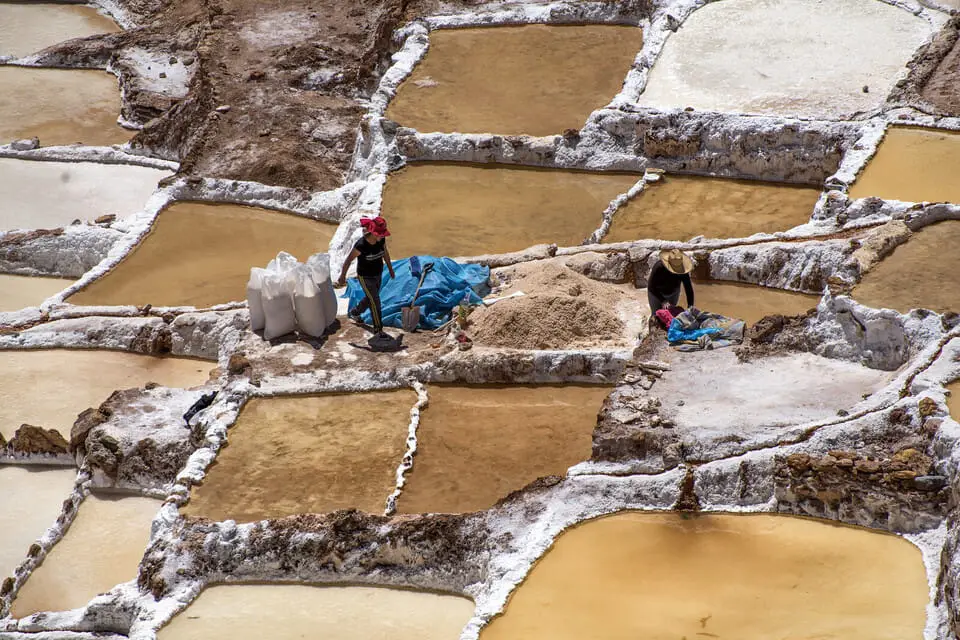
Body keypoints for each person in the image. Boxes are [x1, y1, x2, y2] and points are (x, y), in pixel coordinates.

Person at [335, 216, 395, 336]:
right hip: (365, 276)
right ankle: (378, 330)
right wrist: (342, 276)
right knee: (375, 301)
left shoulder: (381, 240)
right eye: (379, 234)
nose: (381, 237)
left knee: (371, 298)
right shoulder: (361, 245)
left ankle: (355, 312)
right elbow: (348, 261)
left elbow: (385, 253)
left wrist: (390, 268)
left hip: (378, 273)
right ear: (372, 232)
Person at [647, 248, 694, 316]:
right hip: (656, 293)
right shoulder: (659, 267)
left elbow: (688, 289)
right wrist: (663, 301)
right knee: (656, 315)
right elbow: (651, 287)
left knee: (670, 315)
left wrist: (690, 306)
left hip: (673, 293)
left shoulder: (683, 270)